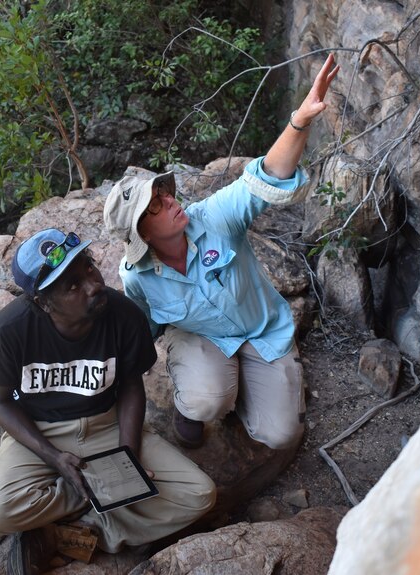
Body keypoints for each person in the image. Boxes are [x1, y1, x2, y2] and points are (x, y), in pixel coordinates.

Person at [103, 54, 339, 450]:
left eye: (163, 193)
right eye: (156, 205)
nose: (170, 200)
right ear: (141, 230)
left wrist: (300, 121)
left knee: (279, 436)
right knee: (205, 400)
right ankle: (196, 401)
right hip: (204, 339)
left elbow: (266, 177)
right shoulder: (136, 275)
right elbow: (144, 330)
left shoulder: (213, 217)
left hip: (263, 332)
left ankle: (246, 389)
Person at [0, 228, 216, 575]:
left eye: (88, 267)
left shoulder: (123, 314)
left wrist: (127, 456)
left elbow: (132, 386)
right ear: (43, 302)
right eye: (72, 285)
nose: (92, 285)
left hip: (108, 424)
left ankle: (72, 533)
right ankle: (95, 500)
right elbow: (0, 403)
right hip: (41, 434)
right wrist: (55, 458)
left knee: (200, 495)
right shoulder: (11, 328)